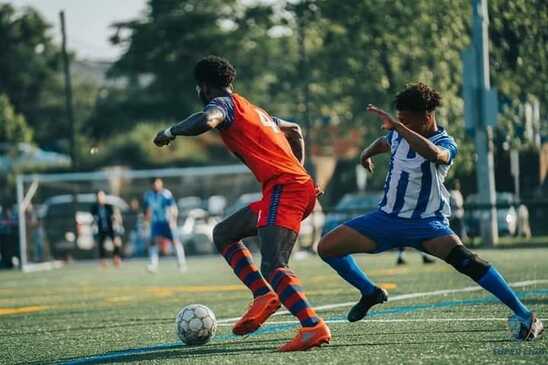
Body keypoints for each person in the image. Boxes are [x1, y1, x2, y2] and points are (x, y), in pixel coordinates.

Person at [317, 82, 543, 341]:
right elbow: (385, 141)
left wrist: (399, 127)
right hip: (386, 219)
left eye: (406, 121)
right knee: (327, 247)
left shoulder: (445, 142)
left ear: (426, 118)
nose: (399, 125)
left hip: (426, 225)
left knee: (469, 262)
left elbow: (435, 154)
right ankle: (370, 292)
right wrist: (366, 153)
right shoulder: (398, 134)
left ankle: (526, 316)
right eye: (399, 120)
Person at [153, 56, 330, 351]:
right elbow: (295, 129)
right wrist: (300, 172)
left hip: (285, 189)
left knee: (274, 264)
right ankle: (263, 295)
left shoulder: (222, 106)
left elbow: (208, 120)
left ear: (204, 88)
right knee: (223, 233)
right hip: (290, 187)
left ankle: (312, 326)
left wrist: (170, 132)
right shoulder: (254, 109)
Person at [143, 178, 187, 272]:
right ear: (152, 185)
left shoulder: (166, 194)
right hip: (156, 223)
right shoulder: (149, 195)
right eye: (155, 184)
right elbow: (147, 210)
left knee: (175, 242)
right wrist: (146, 221)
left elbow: (173, 207)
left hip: (167, 222)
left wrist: (173, 220)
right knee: (153, 242)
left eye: (159, 183)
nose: (157, 185)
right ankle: (153, 265)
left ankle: (181, 264)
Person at [90, 190, 123, 268]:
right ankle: (103, 261)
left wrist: (116, 223)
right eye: (99, 196)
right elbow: (93, 218)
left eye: (102, 196)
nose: (101, 198)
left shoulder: (109, 206)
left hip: (110, 228)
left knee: (116, 243)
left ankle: (116, 259)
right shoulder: (94, 207)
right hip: (101, 229)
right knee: (101, 244)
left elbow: (114, 217)